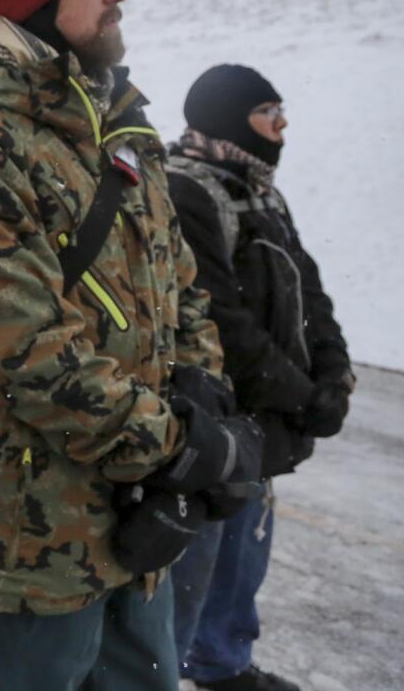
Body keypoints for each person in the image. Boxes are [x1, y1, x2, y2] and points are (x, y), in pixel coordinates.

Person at [0, 0, 261, 691]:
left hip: (137, 527)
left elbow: (181, 285)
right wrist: (178, 449)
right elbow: (31, 355)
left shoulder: (122, 130)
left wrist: (203, 392)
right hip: (33, 540)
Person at [166, 66, 353, 691]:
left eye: (280, 111)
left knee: (243, 555)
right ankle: (164, 671)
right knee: (192, 563)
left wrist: (334, 370)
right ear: (226, 116)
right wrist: (302, 397)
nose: (281, 125)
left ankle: (220, 665)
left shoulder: (260, 190)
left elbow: (310, 289)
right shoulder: (184, 191)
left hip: (264, 418)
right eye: (266, 112)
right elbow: (223, 321)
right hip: (213, 419)